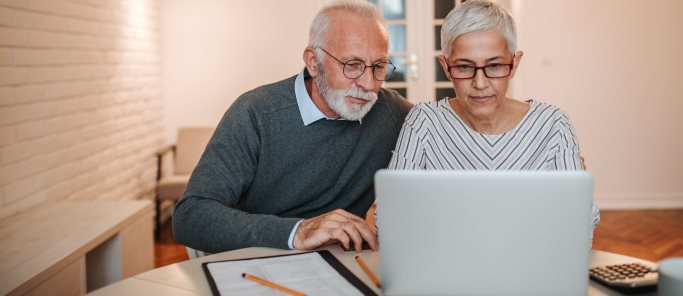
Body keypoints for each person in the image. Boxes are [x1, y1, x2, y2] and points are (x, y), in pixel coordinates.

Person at [172, 0, 412, 254]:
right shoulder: (256, 112)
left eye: (378, 66)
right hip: (252, 257)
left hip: (337, 263)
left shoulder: (392, 113)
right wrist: (298, 231)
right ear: (313, 61)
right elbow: (190, 216)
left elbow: (445, 123)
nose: (368, 83)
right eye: (352, 65)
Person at [385, 0, 600, 232]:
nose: (480, 84)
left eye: (495, 66)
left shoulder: (553, 125)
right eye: (465, 67)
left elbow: (581, 222)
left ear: (514, 63)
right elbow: (391, 217)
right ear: (446, 67)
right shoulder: (424, 121)